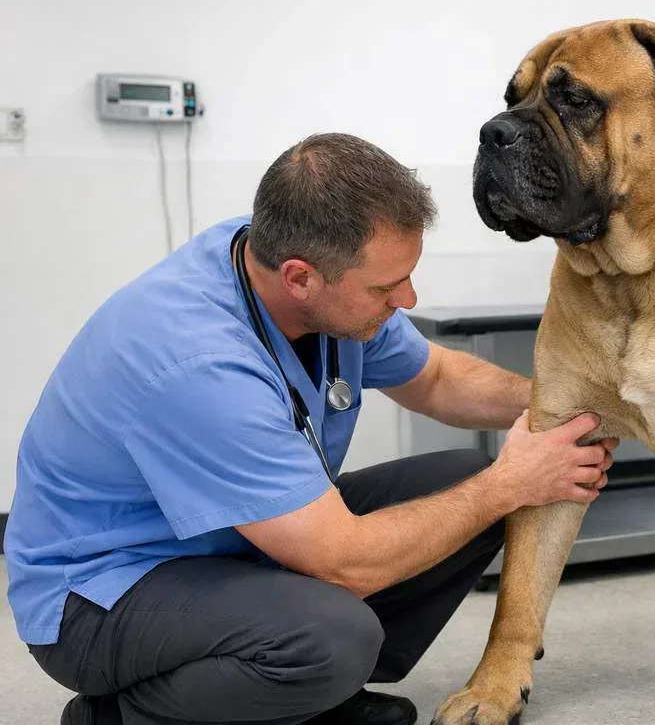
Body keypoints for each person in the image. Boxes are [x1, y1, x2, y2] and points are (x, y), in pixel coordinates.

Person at [4, 132, 617, 725]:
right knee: (333, 632)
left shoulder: (280, 267)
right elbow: (343, 564)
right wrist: (510, 485)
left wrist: (573, 406)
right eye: (386, 285)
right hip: (103, 591)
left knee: (468, 481)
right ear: (300, 277)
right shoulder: (197, 361)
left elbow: (435, 380)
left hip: (235, 542)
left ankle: (309, 696)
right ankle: (120, 714)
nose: (408, 299)